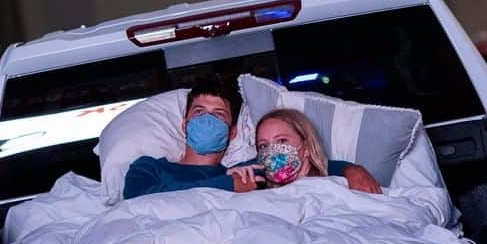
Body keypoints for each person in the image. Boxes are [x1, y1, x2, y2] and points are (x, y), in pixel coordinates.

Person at [122, 77, 381, 199]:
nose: (207, 121)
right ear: (184, 123)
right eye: (199, 112)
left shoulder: (246, 173)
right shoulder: (149, 167)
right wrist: (228, 186)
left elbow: (303, 166)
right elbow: (142, 200)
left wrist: (351, 169)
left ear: (232, 131)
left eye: (218, 114)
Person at [254, 108, 382, 192]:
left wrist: (352, 169)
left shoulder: (332, 181)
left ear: (307, 147)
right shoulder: (259, 186)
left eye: (282, 141)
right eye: (263, 146)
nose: (271, 152)